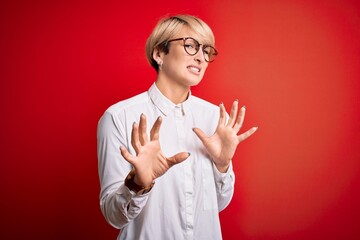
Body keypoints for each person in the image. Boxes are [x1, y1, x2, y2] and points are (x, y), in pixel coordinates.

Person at [97, 14, 258, 240]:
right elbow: (113, 216)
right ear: (159, 53)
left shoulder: (214, 117)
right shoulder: (118, 117)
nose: (201, 57)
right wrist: (137, 183)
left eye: (206, 51)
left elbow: (216, 206)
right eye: (191, 46)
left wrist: (223, 165)